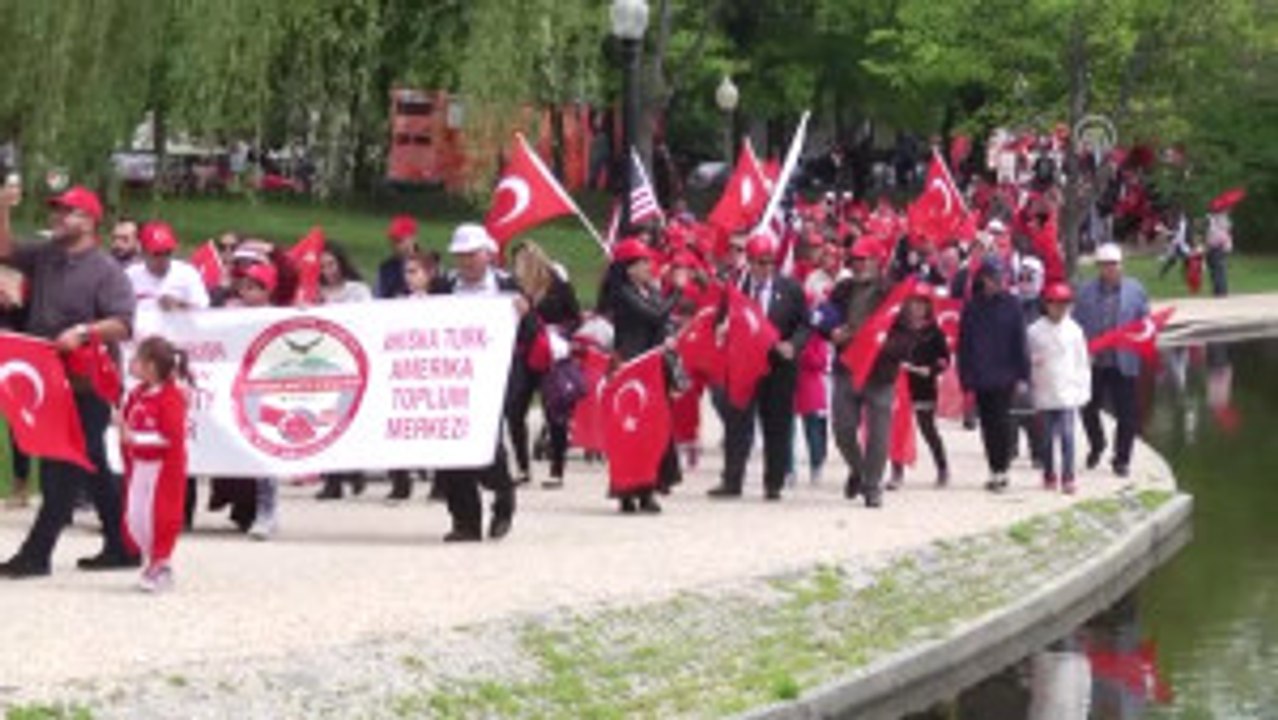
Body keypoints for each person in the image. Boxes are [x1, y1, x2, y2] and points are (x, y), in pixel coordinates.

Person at [0, 185, 138, 578]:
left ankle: (36, 553)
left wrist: (83, 332)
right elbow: (4, 249)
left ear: (90, 221)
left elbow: (124, 323)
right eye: (56, 210)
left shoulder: (106, 270)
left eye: (69, 212)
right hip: (51, 380)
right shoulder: (46, 255)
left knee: (63, 462)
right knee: (90, 461)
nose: (58, 217)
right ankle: (121, 546)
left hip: (87, 382)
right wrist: (3, 207)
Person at [428, 224, 525, 541]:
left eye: (473, 254)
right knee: (452, 448)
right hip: (453, 378)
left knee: (486, 445)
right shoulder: (443, 286)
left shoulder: (507, 285)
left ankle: (503, 493)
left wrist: (523, 314)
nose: (467, 261)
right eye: (461, 255)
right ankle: (465, 522)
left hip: (494, 378)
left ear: (488, 254)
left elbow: (531, 333)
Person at [708, 234, 808, 501]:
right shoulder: (737, 288)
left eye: (770, 262)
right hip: (744, 365)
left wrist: (793, 345)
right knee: (737, 423)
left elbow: (804, 324)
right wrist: (721, 328)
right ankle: (732, 479)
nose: (766, 268)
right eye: (760, 262)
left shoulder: (790, 288)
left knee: (777, 424)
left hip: (778, 366)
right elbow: (720, 319)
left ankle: (773, 482)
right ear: (750, 262)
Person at [598, 238, 681, 512]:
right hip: (630, 367)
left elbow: (661, 322)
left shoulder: (650, 290)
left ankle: (648, 488)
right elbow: (654, 315)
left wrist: (668, 337)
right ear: (629, 268)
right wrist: (676, 291)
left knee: (652, 431)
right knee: (628, 430)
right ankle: (625, 490)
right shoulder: (622, 293)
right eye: (643, 262)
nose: (649, 266)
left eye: (648, 261)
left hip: (652, 367)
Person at [117, 336, 192, 592]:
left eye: (137, 360)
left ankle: (162, 563)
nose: (132, 364)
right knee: (135, 516)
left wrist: (134, 438)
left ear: (150, 366)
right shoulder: (137, 393)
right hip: (140, 464)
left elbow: (171, 438)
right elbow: (129, 424)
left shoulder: (171, 397)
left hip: (161, 468)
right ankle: (153, 559)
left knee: (160, 515)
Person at [824, 236, 893, 507]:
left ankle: (872, 485)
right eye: (855, 259)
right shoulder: (842, 289)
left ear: (877, 261)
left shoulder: (890, 291)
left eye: (864, 259)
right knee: (842, 428)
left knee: (878, 434)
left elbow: (906, 331)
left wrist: (882, 344)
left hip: (879, 370)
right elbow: (826, 315)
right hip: (847, 368)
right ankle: (859, 469)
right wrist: (832, 332)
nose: (858, 264)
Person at [509, 241, 582, 489]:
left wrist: (560, 333)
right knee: (514, 409)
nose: (518, 268)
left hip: (549, 352)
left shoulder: (557, 284)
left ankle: (557, 469)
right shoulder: (513, 288)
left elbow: (575, 316)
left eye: (521, 262)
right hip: (524, 352)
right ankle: (522, 467)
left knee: (554, 411)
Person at [1072, 243, 1149, 478]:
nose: (1110, 269)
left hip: (1123, 360)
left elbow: (1145, 321)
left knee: (1127, 414)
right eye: (1105, 265)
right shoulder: (1085, 291)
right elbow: (1076, 323)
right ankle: (1097, 443)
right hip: (1094, 360)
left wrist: (1142, 338)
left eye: (1114, 264)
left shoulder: (1135, 290)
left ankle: (1121, 459)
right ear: (1099, 267)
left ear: (1121, 265)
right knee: (1088, 407)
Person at [958, 256, 1030, 493]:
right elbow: (964, 344)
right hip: (981, 373)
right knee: (987, 424)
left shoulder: (1012, 305)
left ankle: (1003, 467)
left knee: (1002, 420)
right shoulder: (972, 307)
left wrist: (1023, 374)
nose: (994, 282)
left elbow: (1020, 341)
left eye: (998, 278)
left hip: (1005, 373)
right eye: (990, 278)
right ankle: (994, 468)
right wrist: (965, 376)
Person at [313, 241, 374, 501]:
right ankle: (333, 480)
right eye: (322, 266)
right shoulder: (315, 292)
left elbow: (367, 317)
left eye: (331, 264)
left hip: (350, 361)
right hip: (323, 362)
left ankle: (354, 468)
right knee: (325, 420)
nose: (328, 270)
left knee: (348, 417)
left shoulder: (357, 290)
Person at [1028, 282, 1091, 494]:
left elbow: (1082, 362)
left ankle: (1068, 476)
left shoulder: (1075, 331)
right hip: (1045, 389)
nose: (1060, 309)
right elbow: (1026, 358)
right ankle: (1049, 473)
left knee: (1067, 435)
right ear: (1046, 305)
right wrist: (1032, 364)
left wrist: (1083, 389)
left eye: (1064, 304)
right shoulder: (1034, 331)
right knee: (1046, 438)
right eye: (1055, 304)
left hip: (1067, 390)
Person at [889, 285, 951, 489]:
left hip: (923, 386)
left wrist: (931, 370)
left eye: (921, 304)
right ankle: (896, 471)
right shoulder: (897, 328)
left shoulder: (934, 332)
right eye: (913, 303)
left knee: (927, 428)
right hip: (900, 386)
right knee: (897, 429)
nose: (917, 308)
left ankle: (942, 468)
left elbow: (944, 359)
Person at [126, 222, 212, 313]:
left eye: (168, 253)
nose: (163, 258)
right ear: (143, 252)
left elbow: (204, 311)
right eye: (157, 254)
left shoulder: (187, 273)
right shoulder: (130, 276)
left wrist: (179, 305)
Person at [376, 215, 419, 299]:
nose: (394, 245)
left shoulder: (427, 265)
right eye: (392, 240)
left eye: (399, 240)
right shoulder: (386, 268)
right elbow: (378, 296)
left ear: (413, 238)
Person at [1205, 210, 1232, 297]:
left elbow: (1219, 231)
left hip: (1219, 247)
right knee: (1216, 270)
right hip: (1214, 247)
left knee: (1219, 269)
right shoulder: (1214, 220)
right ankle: (1218, 290)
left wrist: (1212, 218)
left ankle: (1221, 291)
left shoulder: (1220, 220)